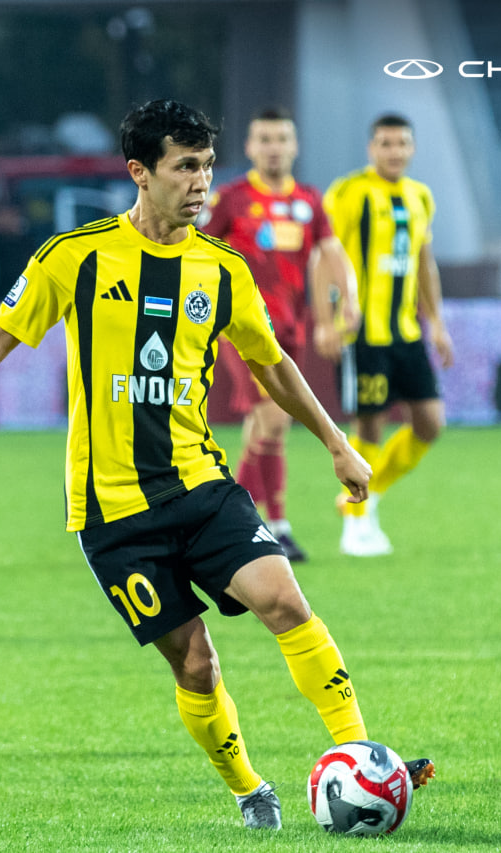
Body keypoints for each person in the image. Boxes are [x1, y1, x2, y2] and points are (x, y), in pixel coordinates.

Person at [0, 98, 433, 831]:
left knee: (285, 601)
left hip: (201, 484)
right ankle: (250, 787)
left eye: (207, 166)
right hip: (113, 512)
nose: (201, 181)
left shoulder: (222, 270)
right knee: (196, 665)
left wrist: (337, 442)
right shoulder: (76, 255)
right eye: (185, 166)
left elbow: (273, 367)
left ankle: (361, 753)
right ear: (139, 173)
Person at [198, 107, 359, 562]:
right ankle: (261, 526)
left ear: (294, 145)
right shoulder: (230, 198)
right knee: (271, 418)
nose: (273, 147)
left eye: (281, 138)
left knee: (270, 427)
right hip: (242, 327)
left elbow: (331, 253)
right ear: (250, 147)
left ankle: (251, 524)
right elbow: (198, 250)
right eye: (264, 138)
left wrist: (346, 301)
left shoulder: (309, 199)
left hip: (291, 327)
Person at [323, 114, 454, 558]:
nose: (394, 151)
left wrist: (437, 323)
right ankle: (357, 522)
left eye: (401, 143)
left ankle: (365, 494)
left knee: (430, 424)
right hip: (365, 332)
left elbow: (424, 262)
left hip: (407, 331)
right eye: (385, 143)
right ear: (371, 148)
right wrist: (331, 314)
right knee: (370, 425)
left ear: (412, 149)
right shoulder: (349, 193)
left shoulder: (420, 196)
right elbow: (326, 255)